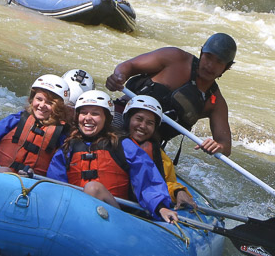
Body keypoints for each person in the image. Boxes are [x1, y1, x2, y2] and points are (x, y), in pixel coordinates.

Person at [47, 90, 179, 224]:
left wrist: (160, 207)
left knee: (93, 189)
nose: (88, 118)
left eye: (95, 113)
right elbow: (55, 186)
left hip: (116, 218)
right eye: (83, 113)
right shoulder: (67, 148)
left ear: (107, 118)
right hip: (76, 214)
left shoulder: (122, 145)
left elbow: (146, 179)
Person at [105, 32, 237, 155]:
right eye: (208, 57)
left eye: (218, 62)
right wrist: (119, 76)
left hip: (149, 142)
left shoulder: (216, 103)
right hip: (120, 118)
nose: (210, 65)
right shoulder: (175, 58)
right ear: (202, 53)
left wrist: (218, 147)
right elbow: (130, 66)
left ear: (227, 67)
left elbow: (225, 145)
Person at [123, 95, 196, 210]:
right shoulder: (111, 143)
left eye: (150, 123)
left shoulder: (159, 156)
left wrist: (178, 191)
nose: (143, 126)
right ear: (128, 119)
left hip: (141, 207)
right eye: (139, 119)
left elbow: (163, 183)